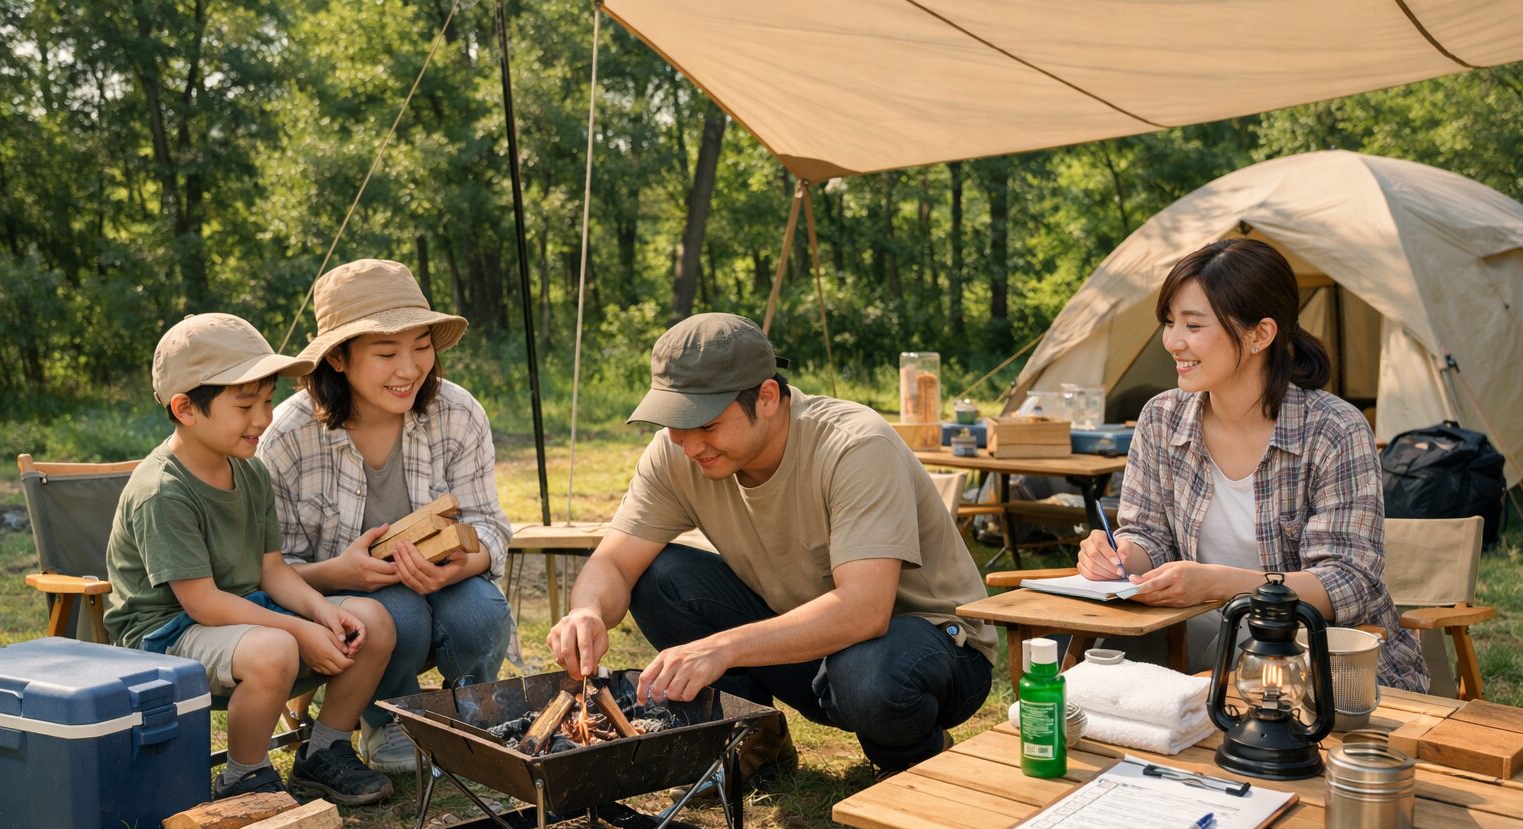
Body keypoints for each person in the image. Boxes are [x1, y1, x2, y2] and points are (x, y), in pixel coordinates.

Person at [545, 313, 995, 780]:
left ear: (765, 397)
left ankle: (912, 760)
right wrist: (588, 612)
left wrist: (720, 649)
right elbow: (615, 562)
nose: (688, 445)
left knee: (867, 674)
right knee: (660, 578)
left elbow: (865, 609)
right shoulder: (675, 453)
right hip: (810, 646)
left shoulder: (855, 445)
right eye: (675, 423)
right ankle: (754, 737)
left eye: (706, 424)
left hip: (930, 645)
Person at [1077, 238, 1427, 690]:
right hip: (1200, 640)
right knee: (1099, 669)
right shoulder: (1161, 418)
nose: (1172, 341)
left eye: (1193, 325)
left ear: (1260, 334)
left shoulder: (1334, 429)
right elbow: (1148, 535)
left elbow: (1347, 582)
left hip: (1320, 664)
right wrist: (1122, 557)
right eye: (1169, 323)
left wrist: (1220, 584)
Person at [105, 313, 397, 803]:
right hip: (167, 634)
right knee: (275, 648)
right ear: (185, 409)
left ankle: (324, 751)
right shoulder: (164, 491)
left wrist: (323, 613)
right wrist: (299, 630)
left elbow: (273, 571)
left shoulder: (251, 471)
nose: (263, 418)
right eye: (245, 405)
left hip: (243, 611)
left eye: (266, 400)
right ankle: (245, 776)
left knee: (371, 621)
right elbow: (201, 604)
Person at [259, 259, 513, 772]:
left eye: (422, 347)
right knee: (398, 611)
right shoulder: (288, 436)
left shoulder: (457, 413)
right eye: (386, 352)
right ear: (337, 359)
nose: (410, 368)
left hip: (446, 586)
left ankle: (471, 714)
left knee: (482, 612)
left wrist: (465, 560)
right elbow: (270, 570)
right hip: (344, 605)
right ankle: (385, 719)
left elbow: (491, 524)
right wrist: (342, 574)